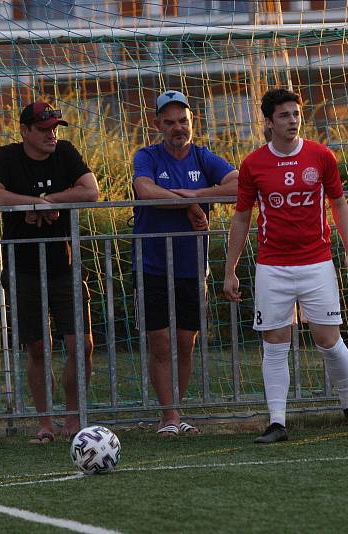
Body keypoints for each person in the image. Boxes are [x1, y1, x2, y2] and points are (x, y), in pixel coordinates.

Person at [223, 88, 348, 443]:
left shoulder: (321, 156)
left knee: (328, 339)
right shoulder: (253, 164)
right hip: (272, 267)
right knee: (275, 343)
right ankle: (277, 422)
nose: (292, 121)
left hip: (316, 263)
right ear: (269, 122)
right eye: (284, 116)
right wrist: (230, 269)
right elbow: (242, 218)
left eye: (295, 114)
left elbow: (339, 206)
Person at [0, 101, 100, 443]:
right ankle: (45, 423)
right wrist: (29, 204)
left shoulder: (65, 152)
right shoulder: (7, 156)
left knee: (81, 344)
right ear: (25, 131)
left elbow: (90, 190)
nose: (52, 134)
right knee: (37, 348)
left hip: (64, 265)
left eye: (55, 127)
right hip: (23, 268)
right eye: (44, 128)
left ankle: (73, 417)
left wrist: (50, 200)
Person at [132, 90, 238, 436]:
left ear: (193, 122)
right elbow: (145, 192)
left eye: (183, 121)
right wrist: (190, 205)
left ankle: (179, 410)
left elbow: (237, 186)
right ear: (157, 124)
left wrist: (192, 197)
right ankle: (169, 416)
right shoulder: (146, 156)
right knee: (160, 342)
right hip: (152, 266)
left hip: (192, 267)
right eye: (170, 122)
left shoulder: (204, 157)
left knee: (184, 342)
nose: (178, 128)